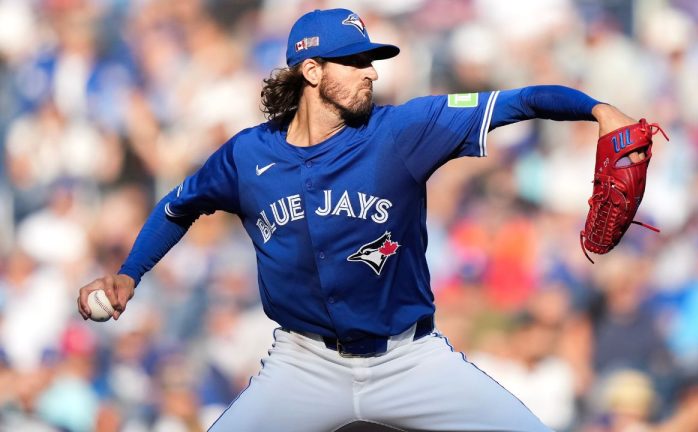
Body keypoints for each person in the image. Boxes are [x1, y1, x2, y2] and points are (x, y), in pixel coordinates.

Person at [77, 8, 643, 431]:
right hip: (303, 365)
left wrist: (597, 107)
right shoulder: (247, 157)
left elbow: (521, 100)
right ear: (313, 70)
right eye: (356, 62)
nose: (371, 73)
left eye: (371, 61)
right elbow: (178, 206)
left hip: (410, 360)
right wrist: (130, 273)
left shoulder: (402, 131)